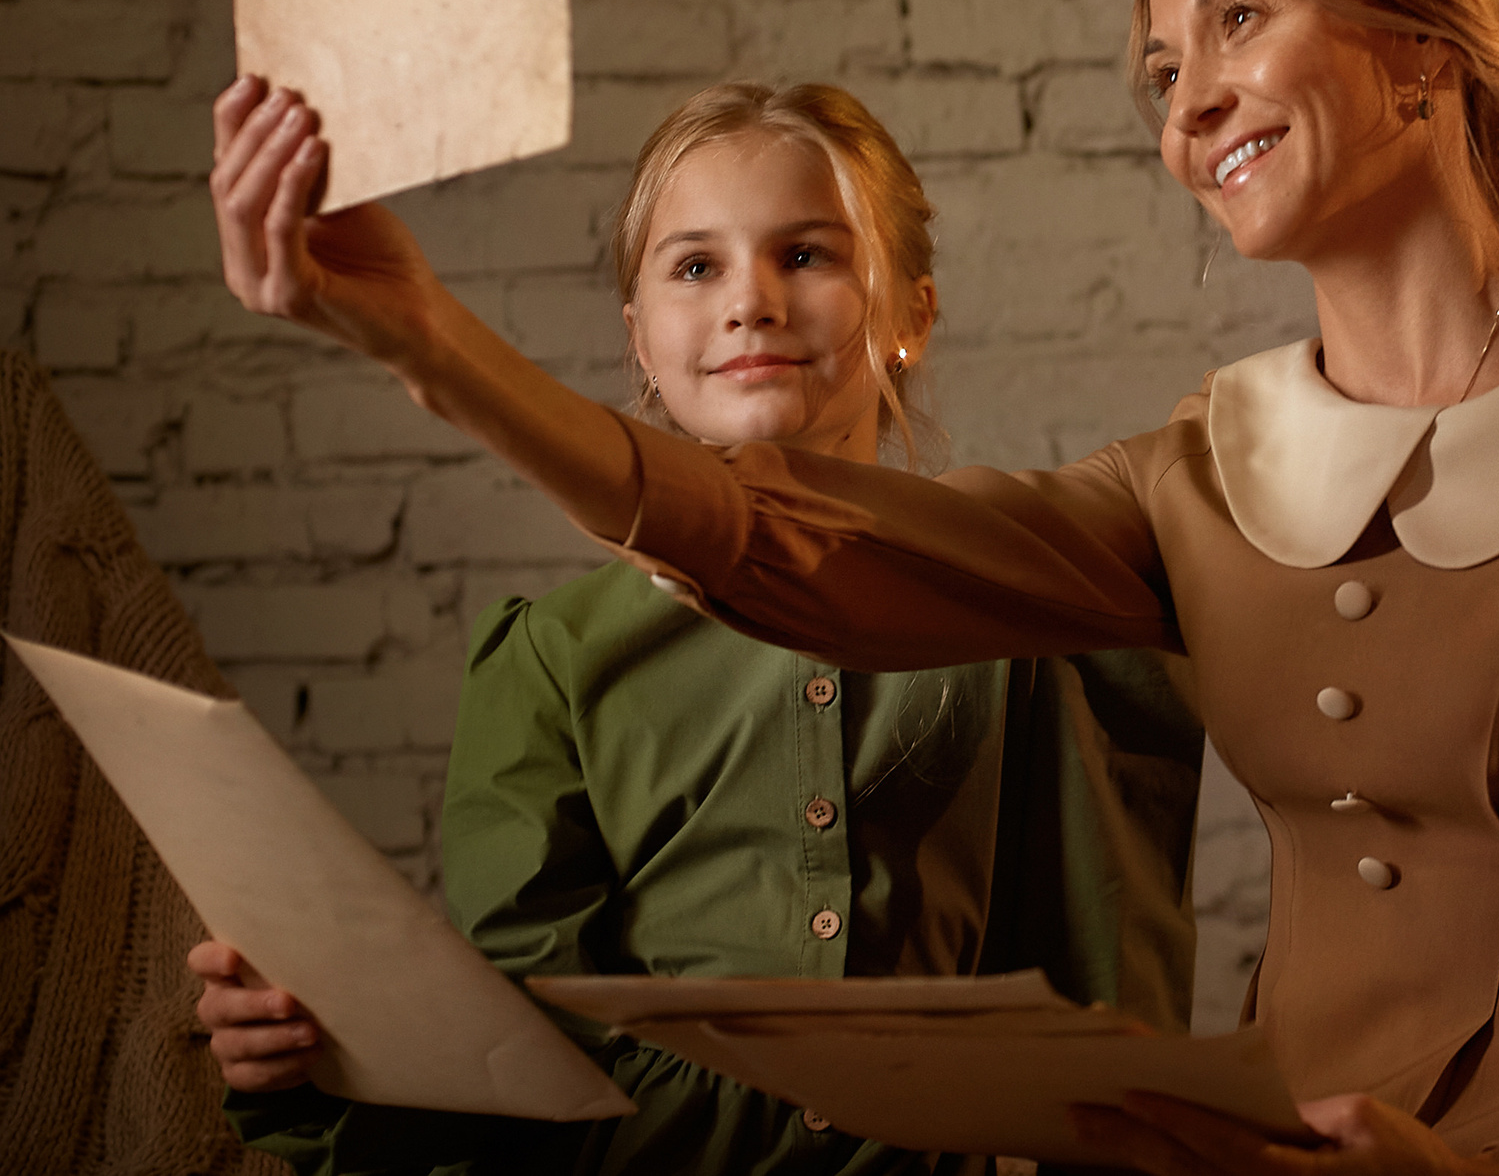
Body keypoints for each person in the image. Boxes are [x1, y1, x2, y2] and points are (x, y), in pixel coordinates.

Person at [209, 0, 1499, 1176]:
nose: (1188, 105)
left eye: (1238, 19)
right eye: (1163, 69)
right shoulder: (1207, 465)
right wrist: (423, 341)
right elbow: (793, 546)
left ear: (1422, 36)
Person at [192, 82, 1203, 1175]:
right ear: (639, 336)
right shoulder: (551, 657)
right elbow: (518, 1065)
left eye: (805, 255)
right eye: (694, 267)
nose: (751, 302)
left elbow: (1114, 1013)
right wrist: (315, 1059)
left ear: (911, 315)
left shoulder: (1037, 622)